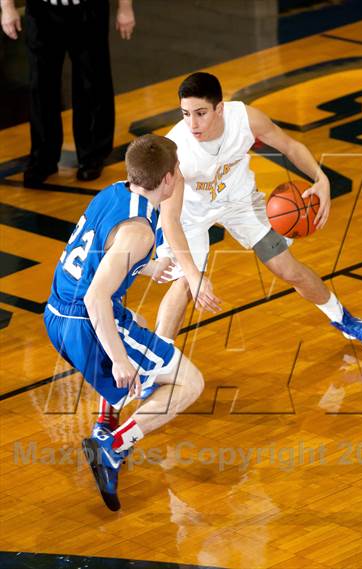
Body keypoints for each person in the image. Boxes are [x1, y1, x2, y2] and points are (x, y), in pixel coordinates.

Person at [155, 72, 362, 351]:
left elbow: (290, 146)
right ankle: (153, 364)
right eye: (185, 114)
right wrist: (194, 275)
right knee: (185, 285)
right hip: (190, 214)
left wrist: (320, 177)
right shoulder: (177, 150)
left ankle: (345, 320)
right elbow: (169, 219)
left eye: (200, 113)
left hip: (239, 201)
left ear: (220, 108)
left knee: (287, 268)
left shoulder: (245, 119)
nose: (192, 123)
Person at [44, 134, 206, 512]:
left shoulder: (114, 192)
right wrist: (118, 359)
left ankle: (105, 419)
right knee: (190, 382)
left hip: (57, 312)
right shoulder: (140, 231)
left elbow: (100, 248)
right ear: (167, 179)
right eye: (177, 170)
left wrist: (146, 267)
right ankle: (114, 445)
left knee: (139, 321)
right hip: (86, 322)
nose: (178, 175)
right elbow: (95, 297)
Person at [0, 0, 135, 186]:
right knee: (41, 85)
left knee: (92, 82)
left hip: (88, 9)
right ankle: (43, 159)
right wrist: (7, 7)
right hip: (42, 10)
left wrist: (125, 8)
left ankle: (92, 156)